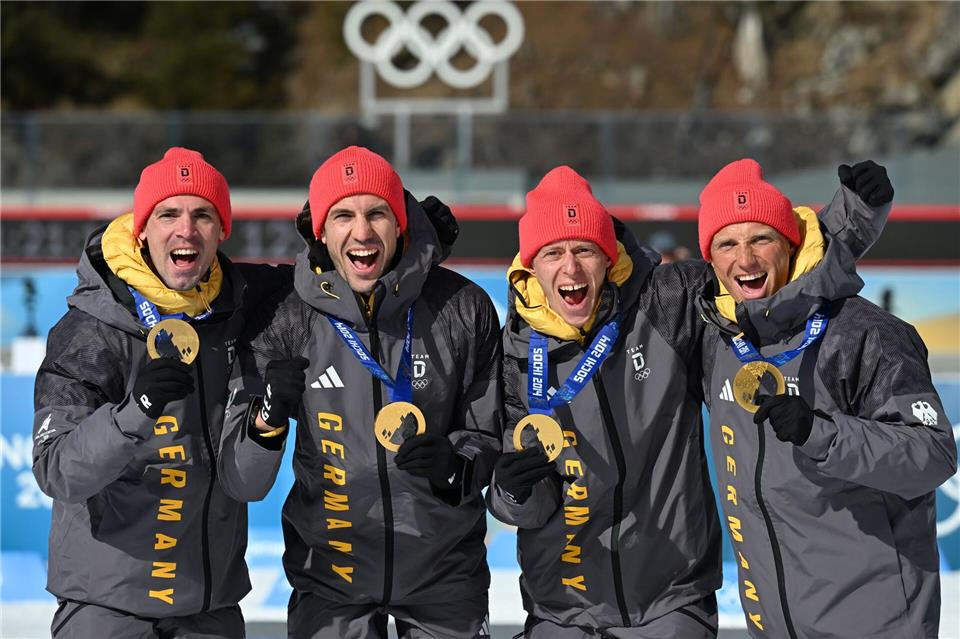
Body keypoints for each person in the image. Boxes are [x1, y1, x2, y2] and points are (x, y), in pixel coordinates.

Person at [485, 162, 894, 639]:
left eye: (585, 250)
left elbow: (771, 272)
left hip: (671, 603)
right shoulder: (514, 353)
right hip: (563, 610)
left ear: (608, 257)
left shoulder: (665, 302)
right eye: (553, 252)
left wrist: (855, 214)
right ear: (531, 266)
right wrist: (510, 491)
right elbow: (527, 509)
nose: (571, 268)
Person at [218, 146, 502, 639]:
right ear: (321, 232)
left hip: (444, 578)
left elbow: (489, 434)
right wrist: (266, 419)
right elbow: (243, 480)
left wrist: (455, 467)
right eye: (343, 216)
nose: (362, 232)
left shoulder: (462, 306)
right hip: (331, 579)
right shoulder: (287, 316)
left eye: (377, 214)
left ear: (400, 224)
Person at [32, 147, 291, 638]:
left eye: (203, 215)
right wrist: (135, 412)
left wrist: (417, 242)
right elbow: (57, 470)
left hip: (209, 608)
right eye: (168, 214)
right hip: (107, 609)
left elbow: (346, 270)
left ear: (222, 231)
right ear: (142, 229)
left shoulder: (243, 305)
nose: (186, 229)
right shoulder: (90, 329)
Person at [696, 159, 956, 639]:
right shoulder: (717, 337)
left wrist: (824, 434)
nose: (745, 260)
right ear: (709, 260)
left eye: (761, 239)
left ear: (789, 244)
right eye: (727, 243)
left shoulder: (866, 333)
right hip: (774, 625)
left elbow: (933, 454)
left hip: (875, 624)